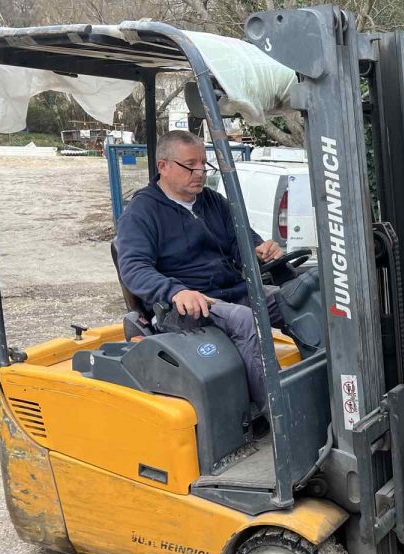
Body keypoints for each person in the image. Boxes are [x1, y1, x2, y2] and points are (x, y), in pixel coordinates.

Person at [116, 130, 286, 410]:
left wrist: (259, 250)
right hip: (189, 307)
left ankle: (331, 385)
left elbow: (240, 240)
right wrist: (176, 291)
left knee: (298, 297)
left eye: (203, 164)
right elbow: (134, 268)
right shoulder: (141, 212)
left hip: (231, 292)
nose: (200, 172)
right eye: (190, 165)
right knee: (245, 320)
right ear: (163, 166)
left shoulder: (213, 202)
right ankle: (279, 414)